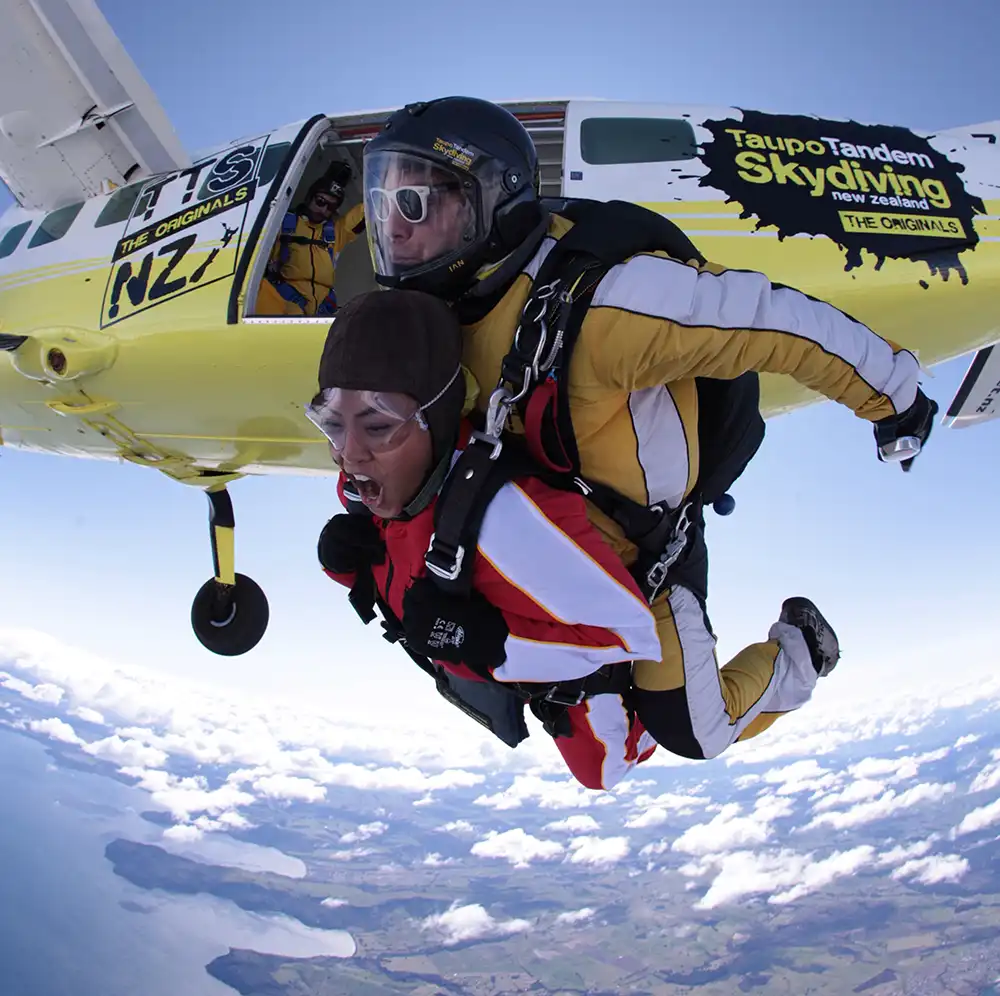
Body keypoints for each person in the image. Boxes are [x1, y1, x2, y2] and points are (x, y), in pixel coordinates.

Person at [359, 96, 939, 762]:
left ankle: (803, 652)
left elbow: (773, 321)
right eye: (383, 207)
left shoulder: (608, 307)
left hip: (649, 558)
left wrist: (892, 396)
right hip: (555, 552)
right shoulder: (428, 324)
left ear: (489, 200)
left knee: (694, 731)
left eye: (415, 205)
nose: (394, 233)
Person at [308, 288, 668, 790]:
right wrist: (348, 565)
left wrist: (490, 641)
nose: (349, 455)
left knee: (603, 769)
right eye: (332, 426)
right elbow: (402, 551)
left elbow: (629, 633)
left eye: (377, 427)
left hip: (551, 659)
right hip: (481, 654)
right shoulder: (367, 483)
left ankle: (801, 657)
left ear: (433, 422)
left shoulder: (509, 521)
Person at [263, 162, 365, 316]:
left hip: (322, 308)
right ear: (309, 197)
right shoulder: (283, 223)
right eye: (320, 202)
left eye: (330, 207)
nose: (323, 209)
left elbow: (364, 213)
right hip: (286, 304)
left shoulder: (334, 233)